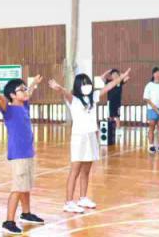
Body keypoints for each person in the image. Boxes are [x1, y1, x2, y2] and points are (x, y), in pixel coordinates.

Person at [49, 70, 130, 214]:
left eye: (88, 82)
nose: (86, 85)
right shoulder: (73, 99)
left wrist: (121, 78)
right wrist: (59, 88)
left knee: (86, 170)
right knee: (75, 170)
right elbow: (65, 92)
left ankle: (83, 198)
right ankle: (68, 202)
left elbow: (109, 86)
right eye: (83, 83)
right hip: (79, 137)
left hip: (91, 136)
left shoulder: (93, 97)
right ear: (78, 86)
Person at [0, 75, 44, 235]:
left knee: (25, 186)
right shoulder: (9, 109)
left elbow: (29, 92)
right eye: (21, 90)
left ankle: (26, 213)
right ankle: (9, 221)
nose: (26, 91)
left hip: (28, 152)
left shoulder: (24, 105)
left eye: (25, 89)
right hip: (18, 154)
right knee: (18, 188)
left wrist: (33, 84)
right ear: (12, 95)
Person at [103, 69, 126, 135]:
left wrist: (120, 74)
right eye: (113, 74)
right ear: (111, 76)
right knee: (110, 117)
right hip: (110, 102)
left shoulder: (120, 81)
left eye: (116, 74)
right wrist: (108, 71)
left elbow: (127, 77)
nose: (115, 76)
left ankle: (118, 131)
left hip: (117, 102)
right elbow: (102, 77)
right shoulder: (108, 81)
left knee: (117, 117)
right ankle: (110, 131)